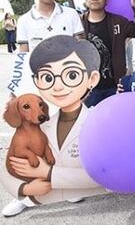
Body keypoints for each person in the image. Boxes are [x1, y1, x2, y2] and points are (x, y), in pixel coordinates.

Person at [0, 35, 105, 217]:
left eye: (71, 75)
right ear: (37, 81)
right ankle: (24, 202)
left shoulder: (98, 125)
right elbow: (8, 165)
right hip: (38, 193)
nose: (57, 87)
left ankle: (70, 191)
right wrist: (24, 189)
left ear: (92, 78)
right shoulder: (40, 124)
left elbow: (104, 175)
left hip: (72, 188)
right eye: (48, 77)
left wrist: (49, 173)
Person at [80, 0, 135, 107]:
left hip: (114, 85)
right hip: (88, 87)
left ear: (106, 0)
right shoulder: (78, 23)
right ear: (86, 1)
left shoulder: (117, 21)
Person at [16, 0, 84, 53]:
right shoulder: (24, 20)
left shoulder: (71, 14)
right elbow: (23, 54)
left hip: (67, 65)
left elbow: (80, 48)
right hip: (38, 66)